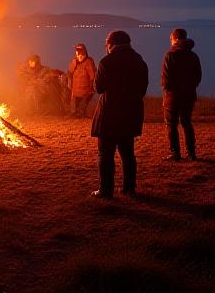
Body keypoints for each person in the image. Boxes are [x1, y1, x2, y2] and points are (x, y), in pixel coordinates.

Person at [90, 30, 148, 199]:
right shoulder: (139, 61)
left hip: (110, 114)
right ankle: (129, 188)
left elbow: (98, 88)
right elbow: (142, 89)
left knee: (105, 154)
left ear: (111, 44)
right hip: (131, 113)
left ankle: (105, 190)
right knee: (128, 153)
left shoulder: (107, 61)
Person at [161, 28, 202, 161]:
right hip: (189, 95)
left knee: (171, 124)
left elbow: (166, 78)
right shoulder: (193, 55)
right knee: (186, 122)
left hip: (173, 96)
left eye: (171, 38)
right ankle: (191, 153)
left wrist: (168, 89)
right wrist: (190, 87)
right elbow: (198, 77)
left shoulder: (171, 54)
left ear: (175, 38)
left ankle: (175, 153)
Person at [67, 43, 97, 118]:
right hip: (75, 90)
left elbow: (92, 76)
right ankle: (74, 113)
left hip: (85, 90)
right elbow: (70, 72)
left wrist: (91, 87)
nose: (78, 54)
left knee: (83, 106)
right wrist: (69, 83)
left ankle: (81, 113)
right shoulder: (74, 61)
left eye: (80, 51)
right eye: (77, 51)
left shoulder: (89, 61)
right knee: (74, 104)